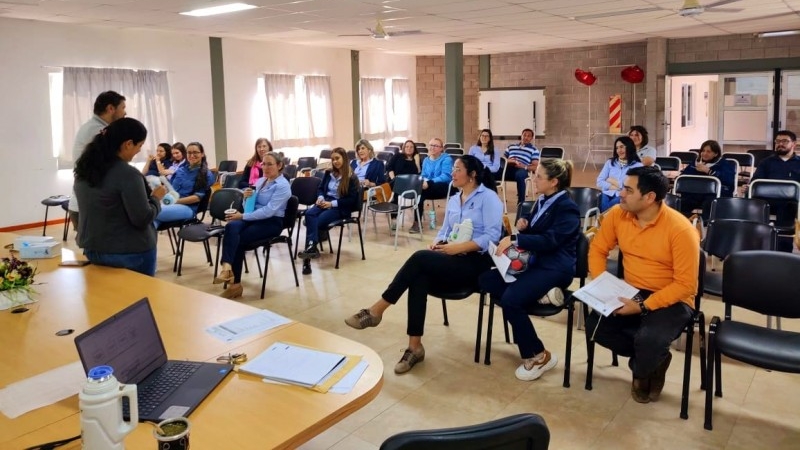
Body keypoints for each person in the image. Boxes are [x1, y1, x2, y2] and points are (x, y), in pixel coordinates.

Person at [344, 155, 503, 374]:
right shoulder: (456, 198)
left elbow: (493, 237)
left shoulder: (489, 198)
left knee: (419, 260)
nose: (453, 174)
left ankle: (377, 310)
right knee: (419, 276)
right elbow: (445, 231)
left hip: (476, 262)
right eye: (454, 169)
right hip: (451, 257)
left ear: (472, 175)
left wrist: (460, 248)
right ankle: (414, 347)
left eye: (457, 170)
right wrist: (437, 244)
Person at [585, 166, 699, 404]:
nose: (620, 193)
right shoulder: (618, 214)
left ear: (649, 198)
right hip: (632, 289)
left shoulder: (681, 230)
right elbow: (597, 249)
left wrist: (643, 307)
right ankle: (653, 361)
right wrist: (602, 284)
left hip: (672, 297)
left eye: (628, 189)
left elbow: (685, 285)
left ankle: (644, 369)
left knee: (649, 339)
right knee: (596, 326)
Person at [479, 159, 580, 381]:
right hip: (536, 263)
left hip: (555, 267)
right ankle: (542, 296)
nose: (534, 180)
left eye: (539, 177)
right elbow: (539, 230)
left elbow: (551, 240)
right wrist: (526, 223)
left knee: (511, 300)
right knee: (487, 280)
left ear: (554, 182)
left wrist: (517, 237)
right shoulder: (544, 200)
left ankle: (538, 355)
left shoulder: (567, 207)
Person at [73, 118, 166, 276]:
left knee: (106, 297)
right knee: (138, 298)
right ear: (128, 144)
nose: (138, 151)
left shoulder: (84, 170)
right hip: (129, 252)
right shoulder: (128, 174)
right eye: (139, 146)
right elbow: (142, 218)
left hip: (93, 249)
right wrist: (156, 198)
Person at [213, 151, 291, 299]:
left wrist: (242, 216)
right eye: (263, 164)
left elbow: (268, 211)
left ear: (279, 165)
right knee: (231, 227)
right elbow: (251, 206)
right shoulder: (261, 181)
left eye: (270, 164)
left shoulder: (283, 186)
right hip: (253, 217)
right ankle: (227, 267)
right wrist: (246, 198)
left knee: (239, 239)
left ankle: (235, 284)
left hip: (271, 222)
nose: (265, 167)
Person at [67, 91, 127, 234]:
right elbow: (113, 164)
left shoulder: (95, 128)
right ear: (111, 108)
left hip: (86, 203)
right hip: (89, 205)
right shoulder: (97, 131)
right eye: (123, 108)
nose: (125, 113)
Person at [297, 147, 360, 275]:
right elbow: (320, 189)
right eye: (333, 159)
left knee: (316, 222)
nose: (335, 161)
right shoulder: (328, 173)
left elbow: (352, 200)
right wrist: (320, 198)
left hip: (339, 207)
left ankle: (308, 257)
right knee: (309, 214)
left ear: (344, 158)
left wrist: (332, 204)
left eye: (337, 158)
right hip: (324, 202)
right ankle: (312, 247)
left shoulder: (351, 177)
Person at [750, 130, 800, 252]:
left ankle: (782, 253)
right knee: (753, 206)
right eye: (778, 141)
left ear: (794, 144)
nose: (780, 144)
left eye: (785, 141)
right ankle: (759, 249)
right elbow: (756, 182)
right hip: (767, 200)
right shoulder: (766, 163)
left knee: (787, 208)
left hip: (791, 203)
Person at [152, 141, 214, 228]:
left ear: (202, 154)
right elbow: (170, 188)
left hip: (188, 208)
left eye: (195, 152)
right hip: (171, 203)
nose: (192, 155)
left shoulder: (206, 174)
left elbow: (197, 198)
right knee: (150, 223)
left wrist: (175, 201)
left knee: (152, 211)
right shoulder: (181, 170)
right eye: (189, 153)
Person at [679, 139, 736, 221]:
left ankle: (704, 226)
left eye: (708, 151)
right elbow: (684, 176)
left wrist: (708, 171)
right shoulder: (696, 163)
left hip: (713, 195)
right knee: (680, 203)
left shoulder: (724, 164)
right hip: (695, 193)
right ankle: (686, 223)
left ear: (716, 154)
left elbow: (728, 180)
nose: (704, 154)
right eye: (703, 151)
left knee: (709, 204)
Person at [410, 137, 453, 234]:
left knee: (420, 192)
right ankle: (417, 222)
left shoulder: (446, 159)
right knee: (419, 192)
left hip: (443, 187)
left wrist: (429, 182)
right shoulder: (426, 160)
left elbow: (446, 176)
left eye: (436, 146)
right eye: (431, 145)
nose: (432, 148)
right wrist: (423, 181)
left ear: (441, 148)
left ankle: (417, 222)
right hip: (428, 188)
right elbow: (423, 175)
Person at [597, 136, 642, 212]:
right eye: (617, 148)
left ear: (629, 147)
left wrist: (610, 180)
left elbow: (633, 187)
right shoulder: (610, 162)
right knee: (603, 202)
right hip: (607, 193)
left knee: (608, 209)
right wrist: (616, 186)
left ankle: (605, 220)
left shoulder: (638, 166)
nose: (619, 150)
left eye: (621, 147)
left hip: (624, 195)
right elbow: (599, 182)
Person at [504, 128, 540, 206]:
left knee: (520, 175)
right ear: (521, 136)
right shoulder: (511, 146)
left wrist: (524, 166)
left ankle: (521, 203)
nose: (526, 137)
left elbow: (535, 167)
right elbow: (502, 160)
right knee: (490, 173)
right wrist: (509, 161)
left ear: (531, 138)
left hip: (521, 169)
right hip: (507, 169)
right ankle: (492, 200)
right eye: (524, 135)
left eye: (528, 136)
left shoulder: (534, 150)